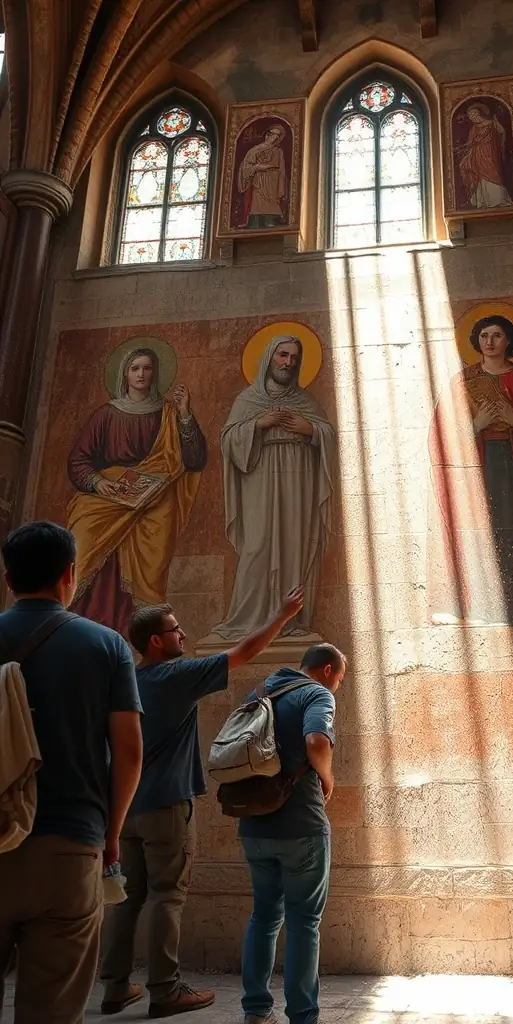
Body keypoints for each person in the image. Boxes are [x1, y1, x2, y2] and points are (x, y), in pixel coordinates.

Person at [99, 587, 306, 1018]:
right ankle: (165, 989)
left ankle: (116, 987)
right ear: (156, 641)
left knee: (129, 897)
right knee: (167, 896)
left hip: (126, 808)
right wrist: (282, 616)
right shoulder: (176, 676)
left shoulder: (126, 681)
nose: (184, 634)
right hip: (166, 806)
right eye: (175, 630)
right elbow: (245, 651)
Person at [0, 521, 143, 1024]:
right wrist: (111, 834)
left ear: (7, 576)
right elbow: (128, 752)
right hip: (68, 846)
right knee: (54, 1011)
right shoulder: (105, 646)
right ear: (69, 574)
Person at [428, 314, 513, 638]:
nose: (490, 341)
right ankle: (478, 609)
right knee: (478, 533)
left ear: (508, 340)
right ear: (476, 341)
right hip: (478, 463)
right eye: (484, 335)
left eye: (497, 335)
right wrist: (478, 422)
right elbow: (442, 431)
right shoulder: (462, 382)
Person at [239, 642, 346, 1024]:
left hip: (253, 824)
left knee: (264, 916)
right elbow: (316, 740)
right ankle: (303, 1015)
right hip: (301, 824)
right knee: (304, 921)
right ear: (329, 670)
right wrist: (328, 779)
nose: (336, 688)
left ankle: (255, 1009)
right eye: (339, 680)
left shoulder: (260, 692)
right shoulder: (316, 693)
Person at [67, 345, 206, 635]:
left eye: (147, 368)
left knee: (153, 555)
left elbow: (194, 461)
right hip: (108, 497)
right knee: (84, 541)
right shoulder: (106, 414)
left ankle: (145, 635)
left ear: (155, 373)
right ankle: (81, 627)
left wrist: (184, 416)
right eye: (135, 368)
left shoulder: (169, 414)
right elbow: (79, 460)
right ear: (125, 374)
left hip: (154, 500)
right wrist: (98, 482)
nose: (141, 374)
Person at [212, 335, 336, 641]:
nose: (288, 363)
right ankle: (247, 620)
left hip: (299, 478)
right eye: (282, 355)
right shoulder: (248, 399)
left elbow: (329, 435)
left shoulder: (305, 401)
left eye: (294, 357)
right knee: (258, 546)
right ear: (269, 357)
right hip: (260, 476)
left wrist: (311, 430)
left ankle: (290, 621)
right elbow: (227, 440)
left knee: (295, 545)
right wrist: (258, 424)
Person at [457, 103, 512, 209]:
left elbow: (501, 133)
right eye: (471, 116)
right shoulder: (474, 129)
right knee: (475, 173)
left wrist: (498, 126)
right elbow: (470, 143)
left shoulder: (492, 124)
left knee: (493, 174)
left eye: (475, 115)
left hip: (490, 155)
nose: (473, 118)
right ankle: (482, 201)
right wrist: (461, 148)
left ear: (480, 113)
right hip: (476, 155)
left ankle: (498, 199)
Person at [236, 124, 288, 230]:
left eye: (277, 137)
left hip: (273, 180)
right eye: (273, 136)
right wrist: (256, 167)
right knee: (258, 200)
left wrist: (281, 185)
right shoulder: (255, 150)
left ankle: (271, 220)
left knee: (272, 201)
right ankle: (255, 221)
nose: (275, 139)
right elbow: (245, 166)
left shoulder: (278, 151)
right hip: (259, 179)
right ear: (267, 135)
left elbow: (281, 169)